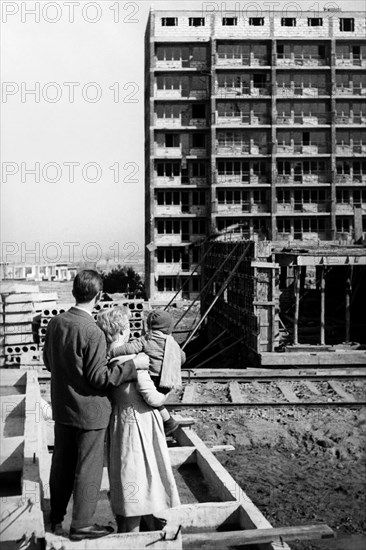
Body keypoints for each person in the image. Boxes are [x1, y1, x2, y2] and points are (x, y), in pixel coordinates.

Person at [43, 270, 149, 541]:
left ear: (74, 290)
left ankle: (56, 518)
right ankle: (81, 525)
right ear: (99, 296)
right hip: (91, 412)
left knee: (62, 464)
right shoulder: (93, 331)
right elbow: (100, 378)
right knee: (88, 468)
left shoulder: (56, 322)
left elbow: (48, 362)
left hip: (63, 408)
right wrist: (131, 366)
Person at [102, 310, 180, 533]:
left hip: (118, 424)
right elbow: (152, 397)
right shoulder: (136, 362)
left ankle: (130, 523)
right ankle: (136, 531)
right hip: (140, 424)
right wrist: (168, 394)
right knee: (144, 474)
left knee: (125, 473)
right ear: (122, 331)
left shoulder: (108, 360)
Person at [97, 307, 183, 436]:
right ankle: (168, 422)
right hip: (140, 420)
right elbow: (154, 399)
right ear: (121, 331)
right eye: (128, 326)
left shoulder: (105, 359)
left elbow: (129, 348)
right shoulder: (135, 361)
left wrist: (110, 353)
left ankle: (169, 422)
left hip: (120, 418)